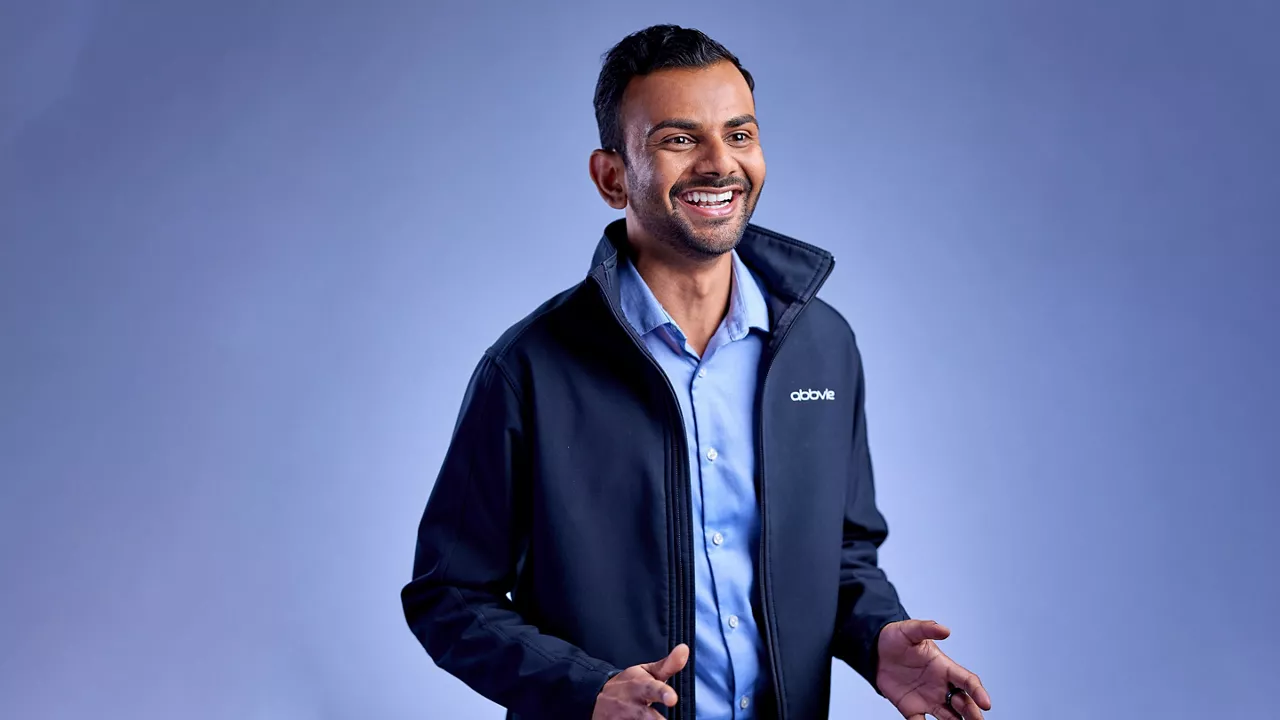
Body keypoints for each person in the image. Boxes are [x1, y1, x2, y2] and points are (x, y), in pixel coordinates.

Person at [402, 24, 992, 720]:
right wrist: (583, 689)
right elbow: (448, 595)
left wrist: (876, 638)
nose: (720, 164)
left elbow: (839, 554)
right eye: (679, 139)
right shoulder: (529, 368)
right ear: (612, 177)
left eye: (739, 134)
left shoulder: (822, 347)